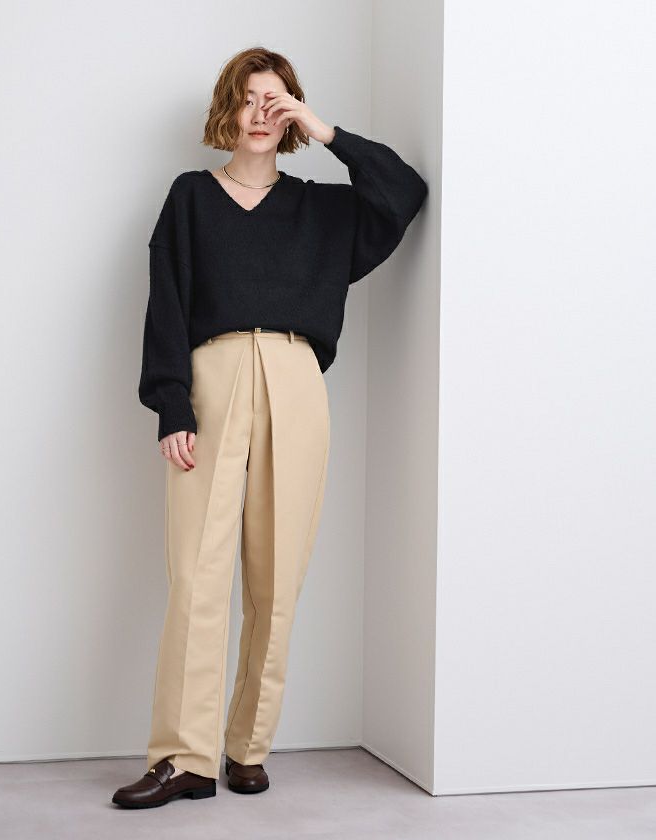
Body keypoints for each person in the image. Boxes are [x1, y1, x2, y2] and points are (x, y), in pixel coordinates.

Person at [112, 45, 428, 810]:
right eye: (250, 97)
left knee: (277, 576)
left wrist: (325, 131)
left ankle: (247, 748)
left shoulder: (324, 211)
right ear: (227, 108)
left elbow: (405, 192)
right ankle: (183, 758)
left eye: (276, 99)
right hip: (212, 379)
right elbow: (167, 302)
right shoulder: (191, 197)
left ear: (291, 113)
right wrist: (171, 404)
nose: (262, 112)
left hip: (295, 380)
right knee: (197, 574)